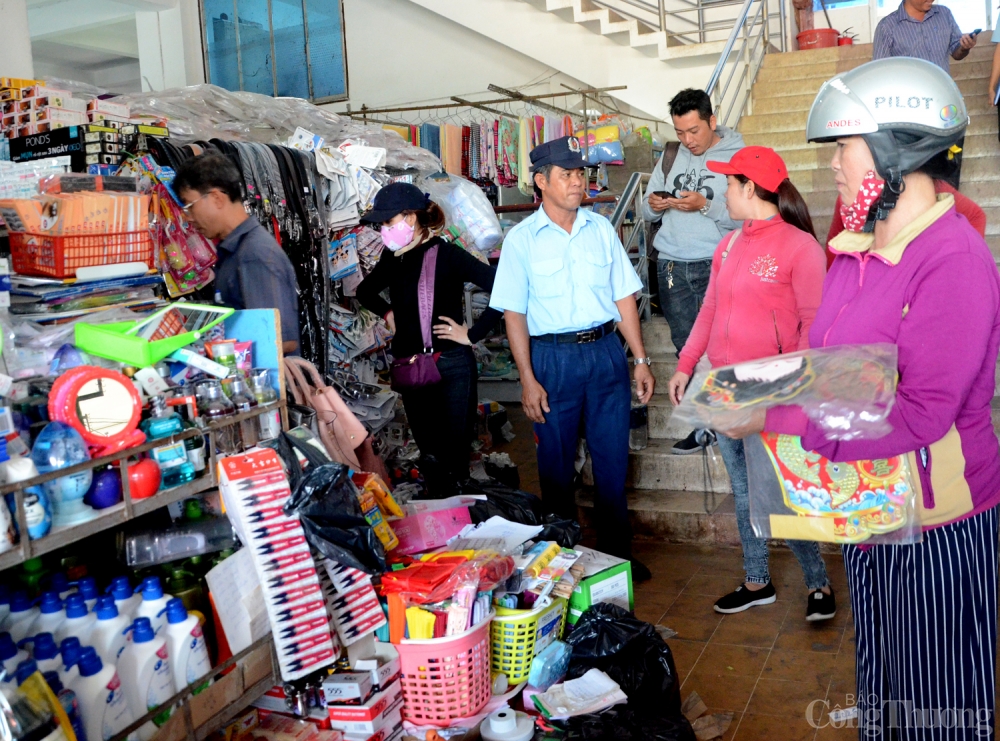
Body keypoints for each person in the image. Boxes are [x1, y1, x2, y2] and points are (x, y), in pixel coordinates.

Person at [718, 58, 1000, 738]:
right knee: (884, 678)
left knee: (939, 699)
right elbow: (837, 369)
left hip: (938, 521)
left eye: (843, 148)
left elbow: (920, 411)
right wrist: (762, 385)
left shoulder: (951, 258)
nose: (836, 167)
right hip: (872, 504)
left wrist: (774, 416)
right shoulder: (854, 251)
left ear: (896, 149)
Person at [666, 146, 835, 621]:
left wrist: (790, 394)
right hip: (725, 387)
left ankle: (818, 583)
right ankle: (757, 579)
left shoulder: (800, 247)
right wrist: (686, 364)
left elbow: (812, 326)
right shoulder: (729, 245)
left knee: (779, 493)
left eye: (729, 184)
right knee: (743, 492)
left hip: (772, 392)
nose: (723, 192)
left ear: (750, 188)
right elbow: (710, 310)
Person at [489, 136, 656, 580]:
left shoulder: (600, 229)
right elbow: (514, 314)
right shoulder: (522, 240)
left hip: (604, 356)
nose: (578, 182)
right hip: (553, 360)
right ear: (541, 182)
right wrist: (527, 378)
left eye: (581, 173)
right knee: (556, 470)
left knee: (611, 462)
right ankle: (563, 561)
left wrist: (640, 359)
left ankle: (617, 557)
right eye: (567, 175)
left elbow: (623, 295)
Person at [356, 183, 501, 494]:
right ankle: (443, 524)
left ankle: (463, 523)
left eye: (388, 222)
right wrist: (388, 313)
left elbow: (505, 287)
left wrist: (473, 333)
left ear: (410, 218)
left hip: (451, 365)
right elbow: (365, 291)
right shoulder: (392, 258)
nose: (384, 230)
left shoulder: (448, 255)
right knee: (431, 457)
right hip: (412, 367)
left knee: (454, 457)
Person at [640, 88, 744, 455]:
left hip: (717, 263)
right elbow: (647, 212)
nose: (687, 140)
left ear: (712, 121)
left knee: (724, 345)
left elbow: (745, 217)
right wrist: (654, 205)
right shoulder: (671, 155)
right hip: (671, 264)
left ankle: (731, 420)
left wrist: (705, 206)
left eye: (694, 131)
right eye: (681, 132)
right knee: (685, 345)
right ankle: (703, 425)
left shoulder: (738, 155)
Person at [174, 154, 301, 354]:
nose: (188, 218)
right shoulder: (234, 250)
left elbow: (281, 340)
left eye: (190, 206)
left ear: (216, 198)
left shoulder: (254, 255)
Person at [824, 180, 986, 268]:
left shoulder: (922, 186)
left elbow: (976, 216)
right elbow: (833, 251)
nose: (835, 163)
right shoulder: (846, 201)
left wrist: (954, 262)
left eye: (844, 146)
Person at [873, 0, 977, 70]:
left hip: (942, 93)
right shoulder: (886, 26)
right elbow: (880, 70)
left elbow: (956, 53)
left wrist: (964, 47)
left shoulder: (944, 14)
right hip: (909, 98)